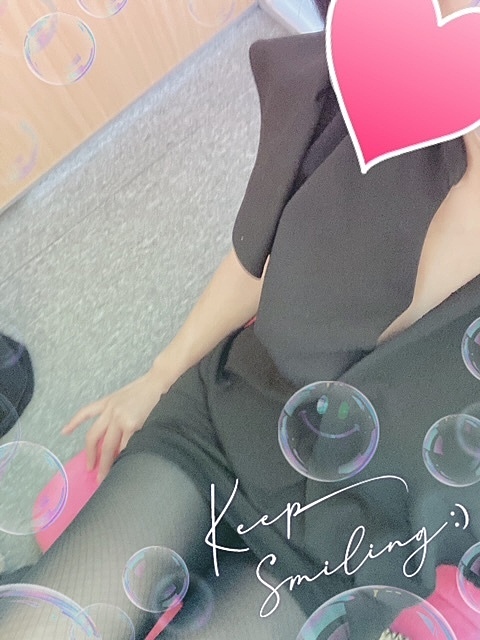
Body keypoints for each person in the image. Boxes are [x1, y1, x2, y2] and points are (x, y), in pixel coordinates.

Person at [2, 0, 480, 637]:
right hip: (229, 423)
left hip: (362, 539)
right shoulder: (379, 102)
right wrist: (160, 374)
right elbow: (260, 257)